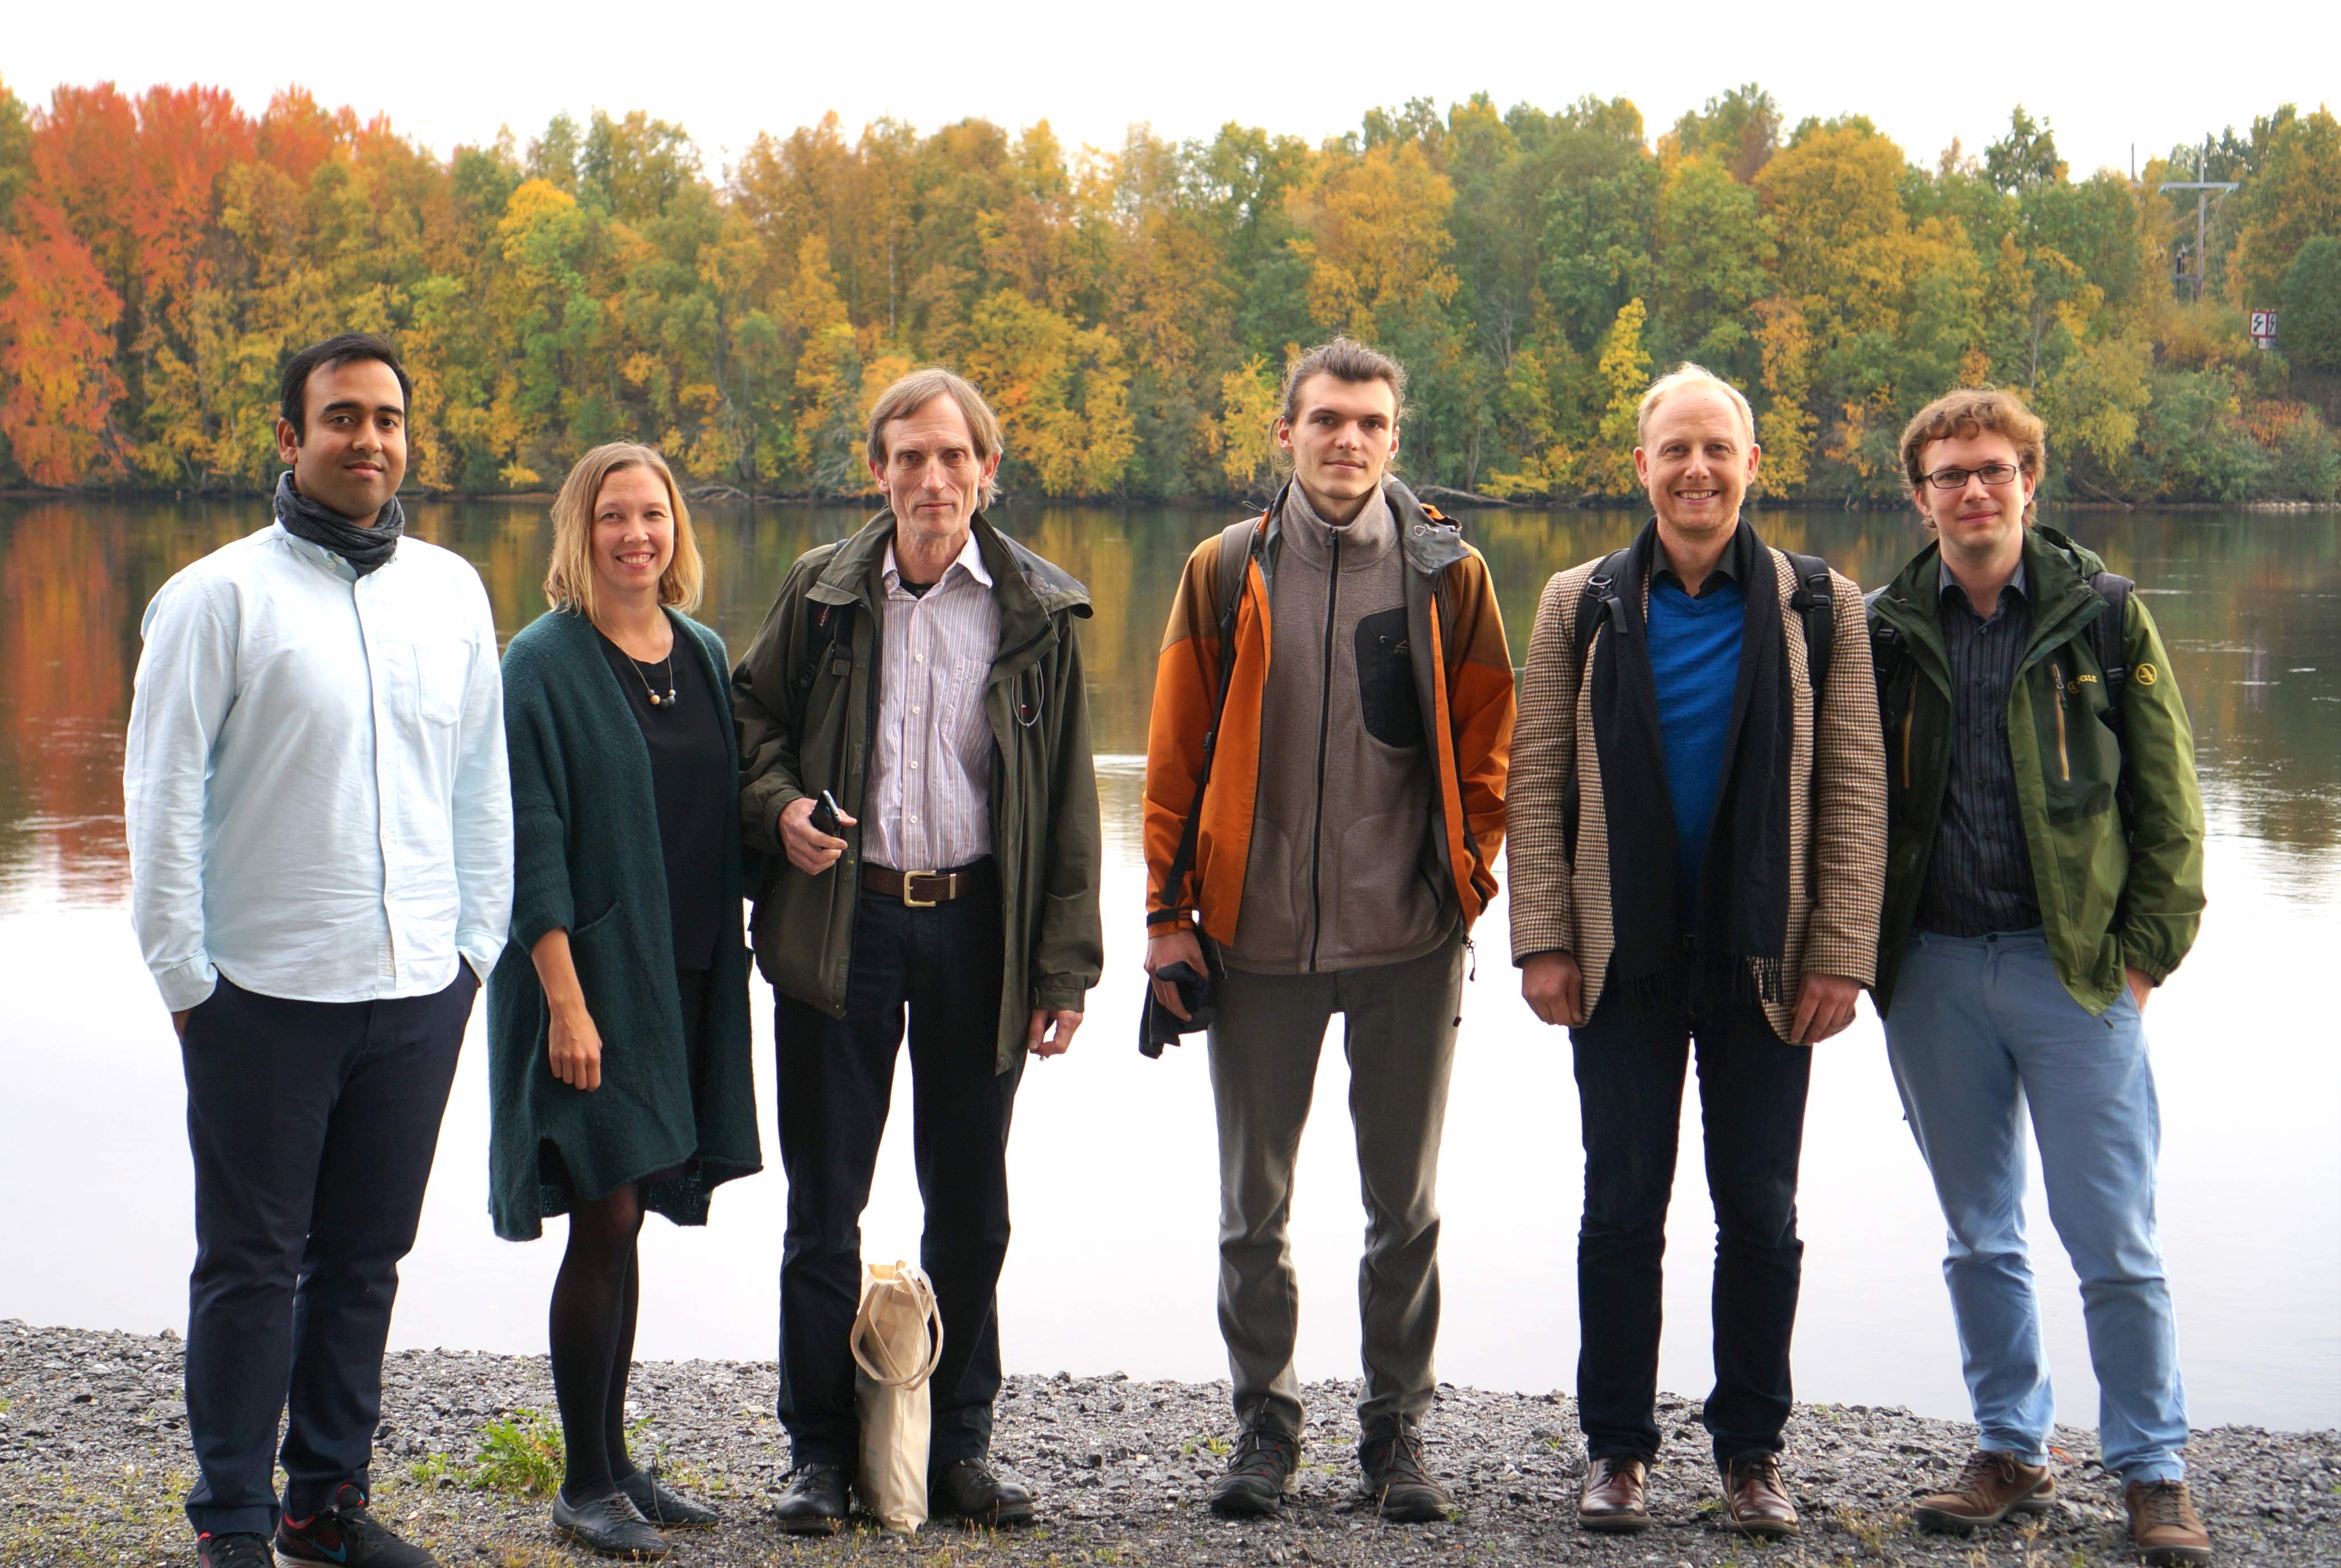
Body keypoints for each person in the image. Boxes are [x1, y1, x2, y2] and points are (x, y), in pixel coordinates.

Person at [124, 333, 510, 1568]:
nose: (371, 441)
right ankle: (233, 1518)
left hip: (416, 989)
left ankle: (322, 1506)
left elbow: (479, 787)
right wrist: (187, 978)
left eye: (389, 420)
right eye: (343, 418)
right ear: (291, 440)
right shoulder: (217, 598)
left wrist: (476, 952)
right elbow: (161, 798)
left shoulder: (452, 593)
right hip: (264, 993)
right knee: (249, 1262)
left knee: (363, 1261)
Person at [1505, 364, 1885, 1540]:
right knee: (1620, 1207)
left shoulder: (1821, 607)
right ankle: (1617, 1451)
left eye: (1718, 448)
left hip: (1764, 958)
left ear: (1752, 465)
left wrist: (1841, 953)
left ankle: (1752, 1454)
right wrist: (1544, 941)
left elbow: (1857, 790)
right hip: (1621, 954)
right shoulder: (1583, 602)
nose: (1697, 469)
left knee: (1761, 1212)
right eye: (1675, 449)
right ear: (1641, 467)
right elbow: (1536, 783)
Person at [1140, 338, 1516, 1524]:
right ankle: (1267, 1424)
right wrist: (1167, 916)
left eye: (1369, 423)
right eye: (1326, 421)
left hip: (1408, 938)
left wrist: (1468, 878)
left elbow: (1495, 745)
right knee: (1254, 1207)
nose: (1346, 440)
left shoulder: (1451, 574)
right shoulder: (1222, 572)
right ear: (1287, 432)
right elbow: (1173, 758)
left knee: (1403, 1206)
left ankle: (1396, 1433)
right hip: (1253, 943)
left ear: (1394, 439)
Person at [731, 366, 1102, 1535]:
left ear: (988, 471)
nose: (931, 478)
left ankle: (961, 1451)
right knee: (823, 1203)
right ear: (879, 470)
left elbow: (1072, 802)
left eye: (953, 457)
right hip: (849, 917)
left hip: (979, 926)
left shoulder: (1036, 611)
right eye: (908, 456)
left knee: (972, 1208)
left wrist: (1064, 968)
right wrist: (783, 805)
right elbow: (751, 721)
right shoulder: (825, 593)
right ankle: (820, 1459)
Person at [1868, 390, 2211, 1567]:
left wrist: (2141, 965)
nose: (1974, 491)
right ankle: (2011, 1449)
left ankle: (2153, 1471)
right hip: (1934, 973)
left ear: (2030, 483)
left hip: (2075, 979)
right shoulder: (1883, 629)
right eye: (1950, 474)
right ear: (1919, 496)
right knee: (1978, 1234)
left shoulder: (2105, 619)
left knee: (2115, 1238)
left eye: (1995, 470)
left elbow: (2172, 813)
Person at [486, 443, 762, 1558]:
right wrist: (562, 999)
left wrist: (794, 834)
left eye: (652, 515)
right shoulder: (540, 665)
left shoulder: (699, 651)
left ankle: (619, 1461)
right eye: (613, 517)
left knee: (630, 1214)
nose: (635, 535)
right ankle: (583, 1482)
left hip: (686, 974)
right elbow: (529, 837)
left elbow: (728, 806)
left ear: (675, 531)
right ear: (579, 532)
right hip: (586, 984)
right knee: (600, 1211)